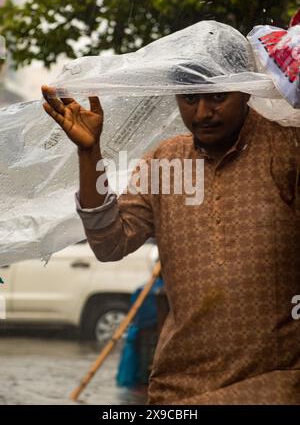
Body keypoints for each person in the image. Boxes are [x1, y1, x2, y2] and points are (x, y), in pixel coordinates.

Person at [41, 21, 300, 405]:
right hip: (177, 388)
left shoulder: (287, 149)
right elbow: (109, 244)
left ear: (246, 90)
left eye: (217, 96)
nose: (202, 113)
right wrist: (88, 153)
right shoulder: (165, 161)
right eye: (189, 98)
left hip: (274, 384)